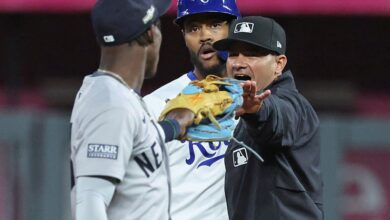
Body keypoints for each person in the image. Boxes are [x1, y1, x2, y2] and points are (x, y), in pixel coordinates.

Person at [69, 0, 195, 219]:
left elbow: (137, 143)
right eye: (158, 25)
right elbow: (90, 201)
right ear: (149, 34)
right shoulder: (111, 104)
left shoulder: (115, 95)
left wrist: (173, 126)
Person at [213, 16, 323, 219]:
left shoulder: (294, 106)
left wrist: (257, 112)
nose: (238, 63)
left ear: (278, 64)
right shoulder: (242, 117)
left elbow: (276, 119)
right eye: (233, 54)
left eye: (252, 54)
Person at [144, 0, 240, 219]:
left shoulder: (257, 100)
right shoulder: (156, 105)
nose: (204, 36)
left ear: (234, 27)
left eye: (215, 24)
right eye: (194, 28)